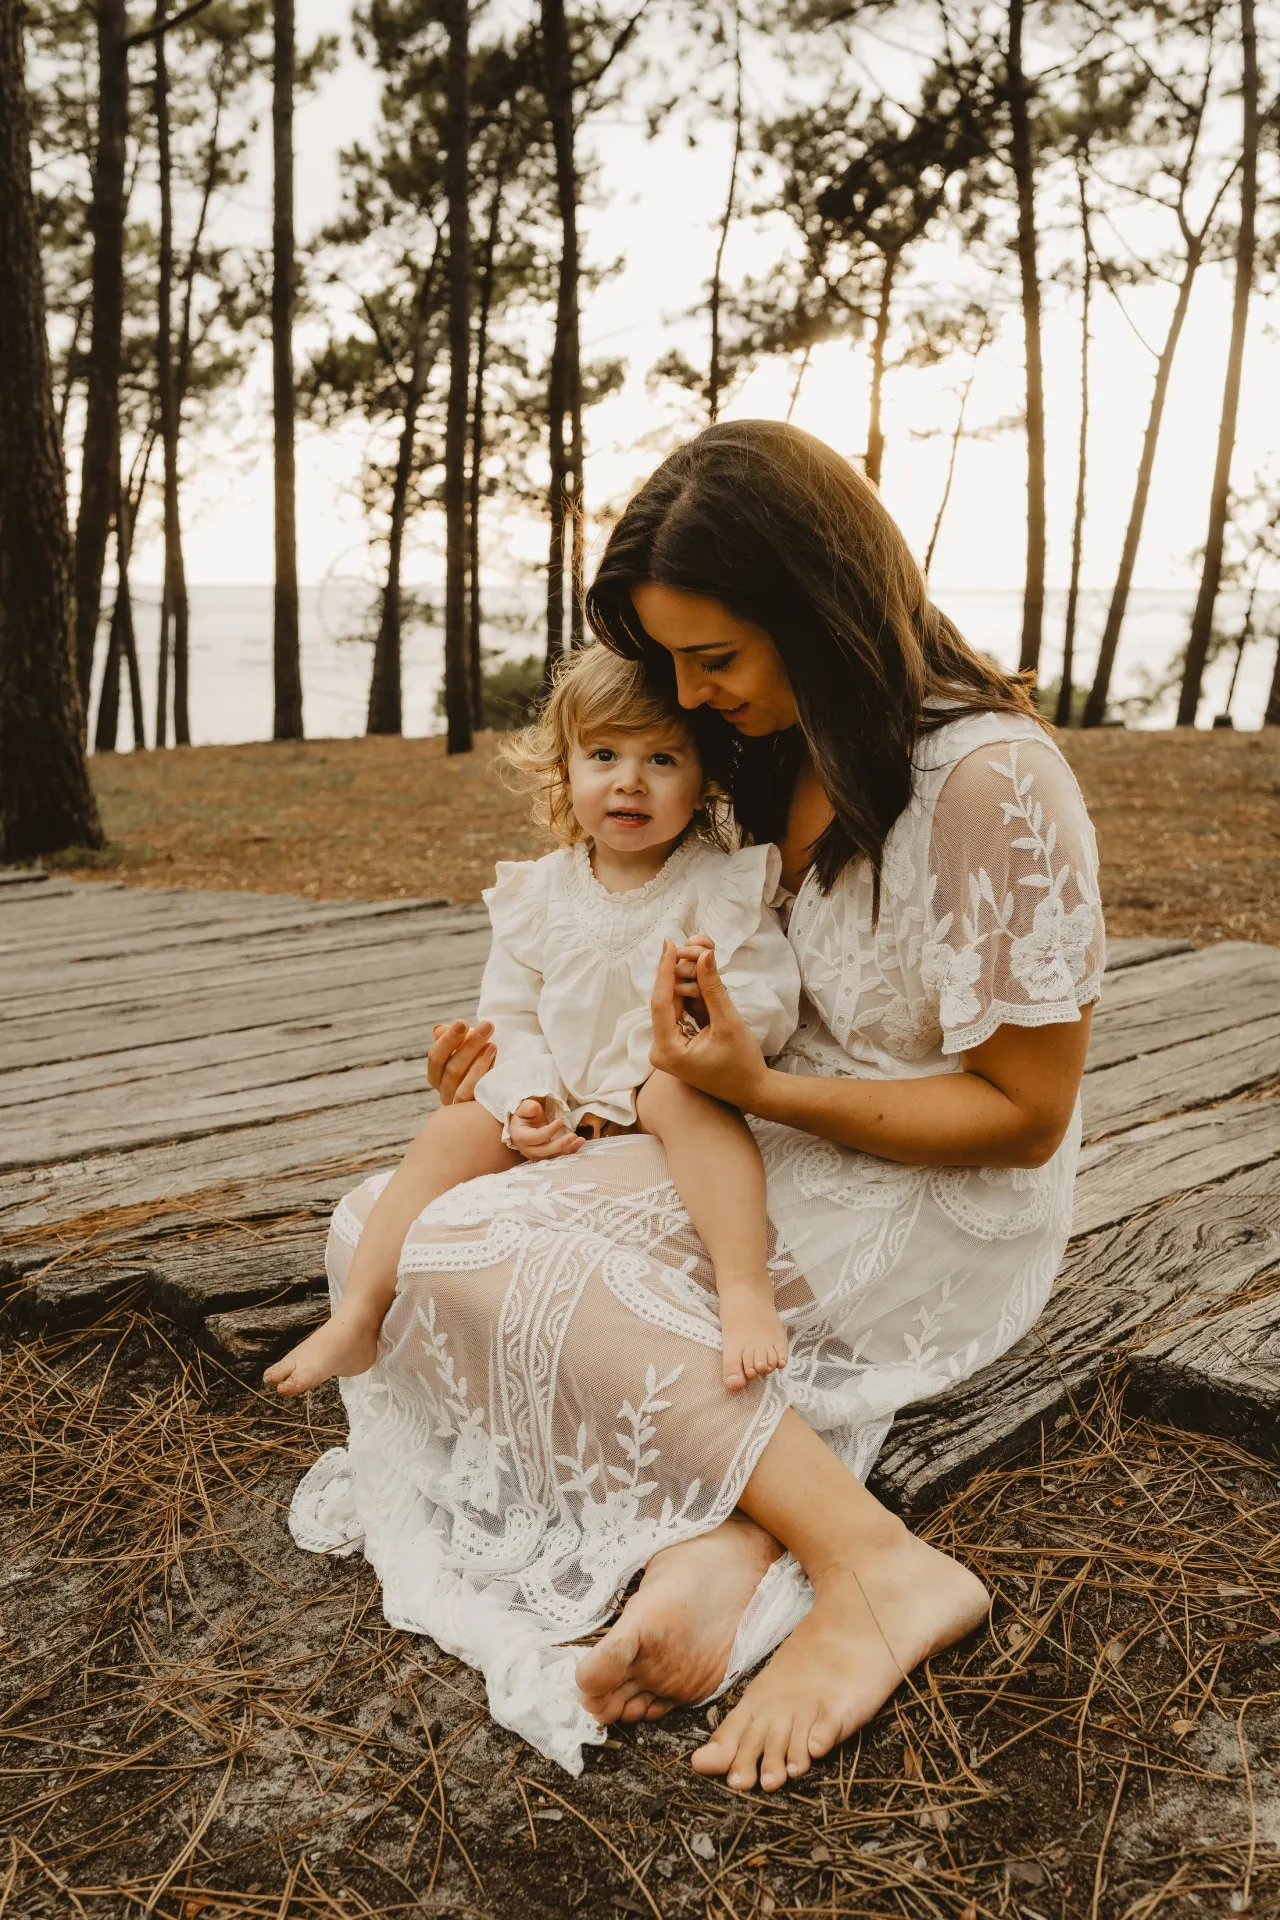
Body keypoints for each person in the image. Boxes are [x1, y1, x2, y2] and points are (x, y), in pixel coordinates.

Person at [287, 420, 1105, 1792]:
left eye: (713, 657)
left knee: (510, 1262)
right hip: (762, 1136)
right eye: (671, 662)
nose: (690, 694)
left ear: (815, 608)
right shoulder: (768, 748)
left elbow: (1025, 1113)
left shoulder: (993, 784)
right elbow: (657, 976)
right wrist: (527, 1083)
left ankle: (875, 1567)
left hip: (938, 1194)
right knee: (401, 1219)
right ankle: (725, 1540)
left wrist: (756, 1087)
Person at [265, 644, 800, 1401]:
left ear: (704, 777)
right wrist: (525, 1102)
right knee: (448, 1130)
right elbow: (511, 1016)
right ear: (565, 770)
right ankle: (359, 1313)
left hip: (663, 1092)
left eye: (663, 760)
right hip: (559, 1103)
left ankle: (745, 1291)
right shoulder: (540, 894)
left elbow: (770, 1000)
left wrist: (713, 1000)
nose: (629, 780)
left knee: (684, 1097)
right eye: (604, 754)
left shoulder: (719, 884)